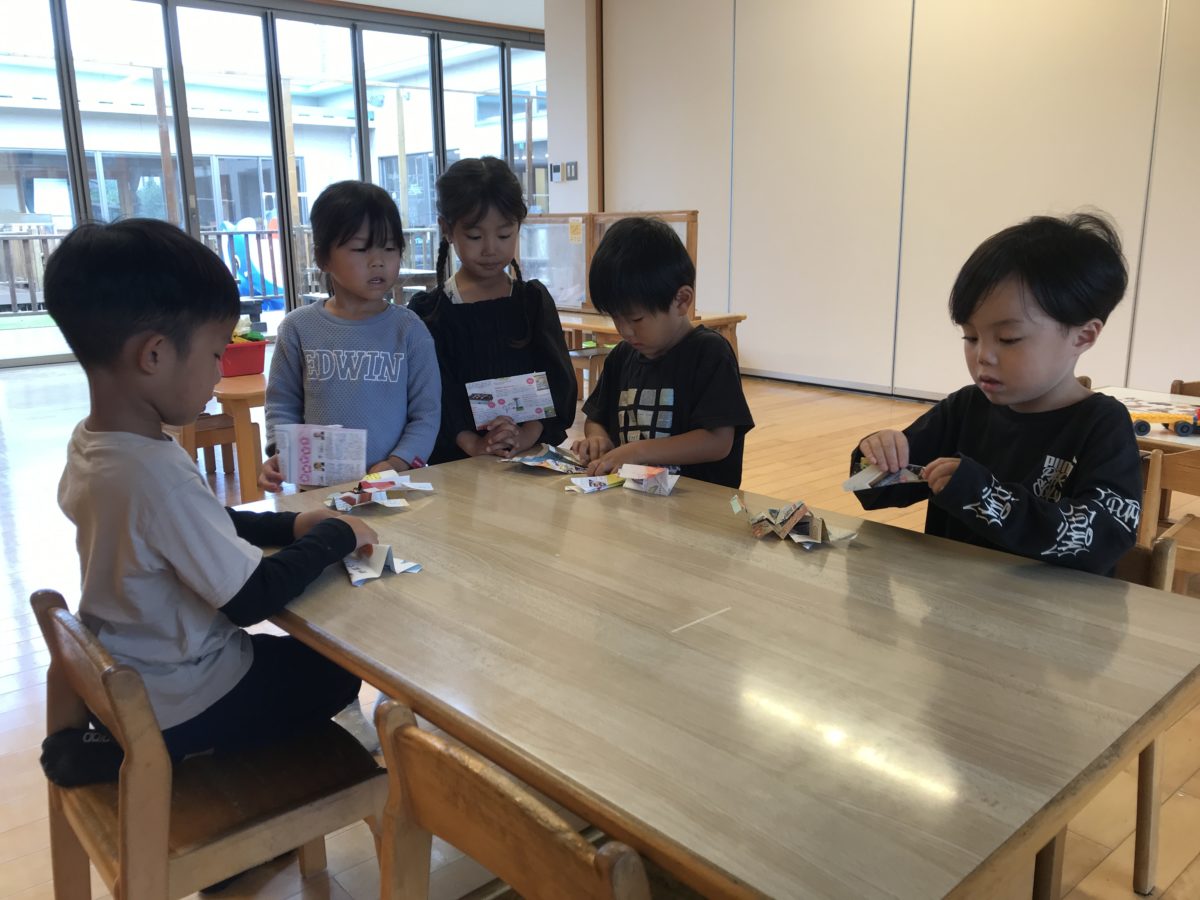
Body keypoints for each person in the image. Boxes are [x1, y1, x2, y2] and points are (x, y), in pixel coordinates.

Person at [43, 218, 378, 784]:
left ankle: (126, 747)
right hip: (184, 694)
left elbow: (201, 523)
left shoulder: (96, 445)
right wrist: (336, 535)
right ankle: (184, 760)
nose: (219, 374)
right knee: (338, 670)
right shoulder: (155, 474)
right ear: (154, 355)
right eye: (215, 355)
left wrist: (291, 525)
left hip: (130, 668)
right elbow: (251, 598)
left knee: (297, 661)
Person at [852, 212, 1142, 574]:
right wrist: (877, 455)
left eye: (1008, 339)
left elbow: (1103, 539)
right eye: (970, 336)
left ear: (1082, 336)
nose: (983, 356)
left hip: (1053, 609)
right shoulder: (965, 408)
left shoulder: (1102, 425)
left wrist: (985, 496)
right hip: (953, 601)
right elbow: (875, 490)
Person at [260, 180, 440, 491]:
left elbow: (426, 414)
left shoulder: (410, 330)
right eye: (360, 249)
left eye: (389, 248)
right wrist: (281, 453)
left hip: (391, 487)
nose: (378, 261)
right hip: (316, 490)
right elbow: (281, 405)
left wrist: (395, 463)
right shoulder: (297, 328)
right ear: (323, 258)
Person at [407, 157, 576, 463]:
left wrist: (526, 435)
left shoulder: (532, 302)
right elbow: (431, 395)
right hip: (459, 462)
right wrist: (473, 443)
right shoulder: (430, 313)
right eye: (475, 236)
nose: (490, 249)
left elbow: (558, 381)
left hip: (529, 456)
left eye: (504, 235)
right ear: (447, 229)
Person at [570, 217, 754, 488]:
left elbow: (717, 441)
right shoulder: (621, 356)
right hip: (634, 501)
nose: (625, 330)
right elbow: (596, 418)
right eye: (616, 318)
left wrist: (637, 451)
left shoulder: (709, 353)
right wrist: (598, 438)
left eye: (636, 319)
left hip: (698, 504)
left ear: (681, 300)